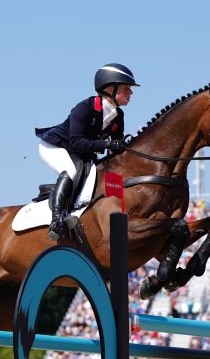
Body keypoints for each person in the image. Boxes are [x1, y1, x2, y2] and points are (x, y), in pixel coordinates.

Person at [35, 63, 138, 240]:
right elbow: (76, 143)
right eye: (126, 88)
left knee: (103, 174)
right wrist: (106, 145)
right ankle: (56, 221)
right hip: (56, 146)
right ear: (109, 89)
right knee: (72, 171)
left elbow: (113, 154)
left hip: (81, 153)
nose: (131, 93)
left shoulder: (118, 117)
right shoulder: (85, 108)